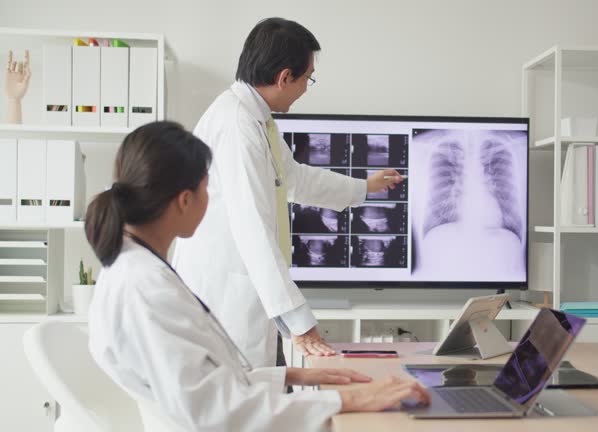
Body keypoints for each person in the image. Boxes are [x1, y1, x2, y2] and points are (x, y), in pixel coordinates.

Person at [85, 121, 429, 431]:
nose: (212, 199)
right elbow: (215, 411)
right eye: (209, 188)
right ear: (184, 200)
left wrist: (293, 374)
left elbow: (202, 386)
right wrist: (349, 400)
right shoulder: (145, 289)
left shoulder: (135, 270)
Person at [172, 17, 404, 368]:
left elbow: (293, 179)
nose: (307, 88)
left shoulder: (255, 119)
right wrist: (300, 322)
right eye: (308, 77)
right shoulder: (238, 125)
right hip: (227, 299)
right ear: (284, 77)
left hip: (249, 297)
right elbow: (253, 227)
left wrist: (365, 187)